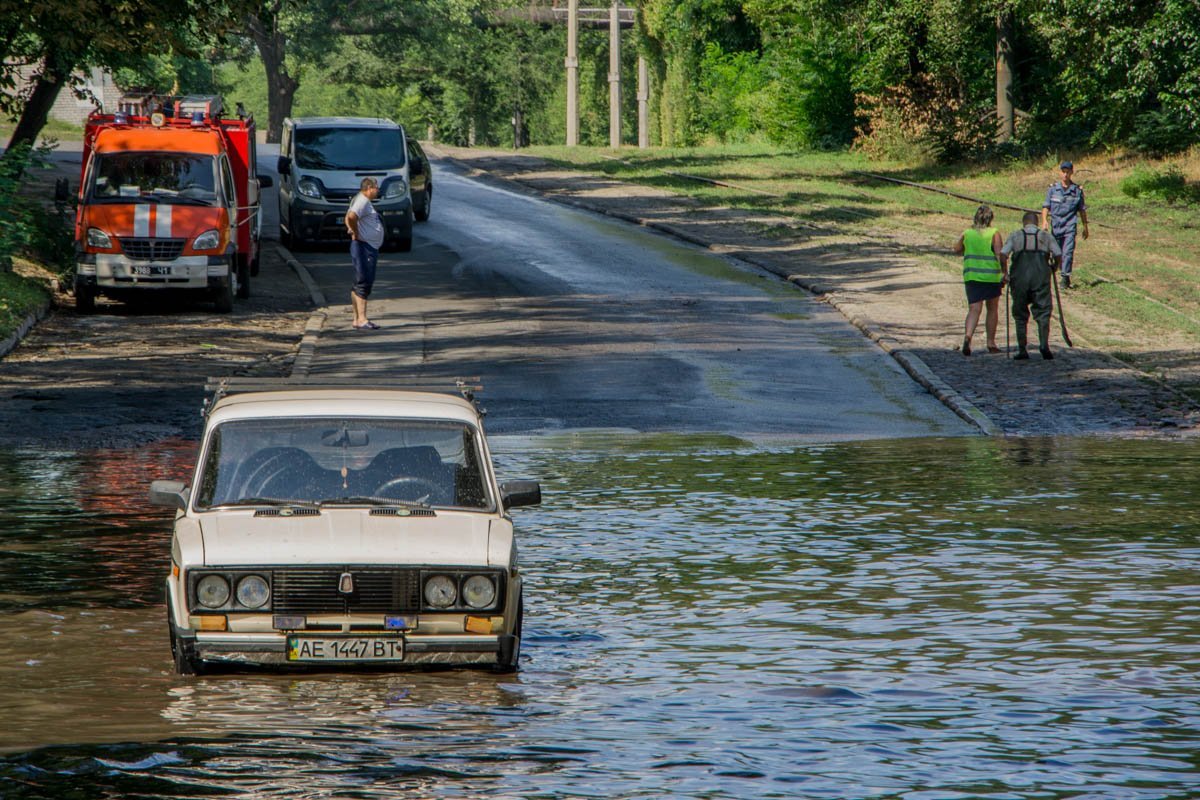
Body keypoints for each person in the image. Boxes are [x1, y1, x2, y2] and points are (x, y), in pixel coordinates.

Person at [1003, 211, 1062, 360]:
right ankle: (1043, 344)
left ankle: (1022, 349)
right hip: (1040, 278)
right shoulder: (1046, 237)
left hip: (1019, 279)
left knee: (1020, 313)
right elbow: (1058, 253)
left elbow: (1003, 254)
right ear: (1036, 223)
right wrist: (1055, 267)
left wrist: (1005, 273)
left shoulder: (1015, 236)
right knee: (1043, 311)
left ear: (1024, 223)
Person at [953, 205, 1008, 356]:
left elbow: (956, 249)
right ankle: (990, 342)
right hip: (990, 277)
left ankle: (968, 337)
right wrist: (1005, 273)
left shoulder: (967, 233)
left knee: (974, 309)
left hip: (972, 276)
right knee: (992, 309)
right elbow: (1000, 255)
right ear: (990, 219)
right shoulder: (994, 233)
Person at [344, 177, 384, 330]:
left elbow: (347, 217)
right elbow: (351, 217)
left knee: (359, 282)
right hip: (364, 246)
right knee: (364, 281)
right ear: (369, 188)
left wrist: (351, 228)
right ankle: (362, 319)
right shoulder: (362, 201)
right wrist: (355, 232)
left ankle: (356, 319)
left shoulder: (360, 200)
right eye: (376, 188)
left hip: (366, 246)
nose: (378, 190)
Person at [1041, 160, 1088, 289]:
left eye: (1068, 172)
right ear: (1060, 172)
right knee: (1057, 253)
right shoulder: (1053, 189)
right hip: (1056, 226)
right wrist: (1044, 220)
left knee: (1067, 252)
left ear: (1072, 172)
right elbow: (1046, 207)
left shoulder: (1077, 191)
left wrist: (1085, 226)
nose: (1065, 175)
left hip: (1069, 226)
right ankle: (1054, 271)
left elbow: (1082, 210)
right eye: (1063, 172)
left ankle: (1065, 277)